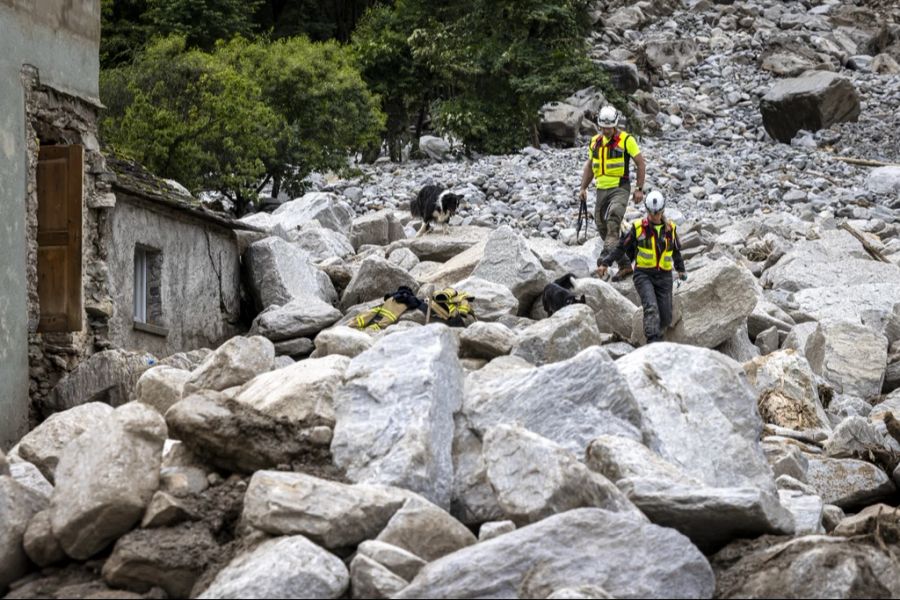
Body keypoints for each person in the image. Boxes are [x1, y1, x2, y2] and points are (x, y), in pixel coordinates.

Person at [597, 191, 686, 344]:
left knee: (665, 317)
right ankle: (653, 342)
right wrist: (606, 262)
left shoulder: (671, 229)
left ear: (662, 210)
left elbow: (676, 251)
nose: (655, 216)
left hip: (664, 276)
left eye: (657, 213)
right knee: (650, 307)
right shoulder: (638, 228)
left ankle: (658, 336)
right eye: (652, 213)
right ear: (647, 210)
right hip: (643, 275)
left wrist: (680, 269)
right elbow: (621, 248)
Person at [578, 105, 646, 282]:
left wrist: (639, 189)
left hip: (620, 187)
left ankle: (603, 260)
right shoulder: (595, 142)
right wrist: (583, 188)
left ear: (615, 125)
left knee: (613, 219)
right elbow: (590, 166)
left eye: (609, 127)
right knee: (601, 226)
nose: (606, 130)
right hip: (601, 189)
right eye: (603, 127)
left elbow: (640, 163)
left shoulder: (626, 140)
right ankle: (624, 265)